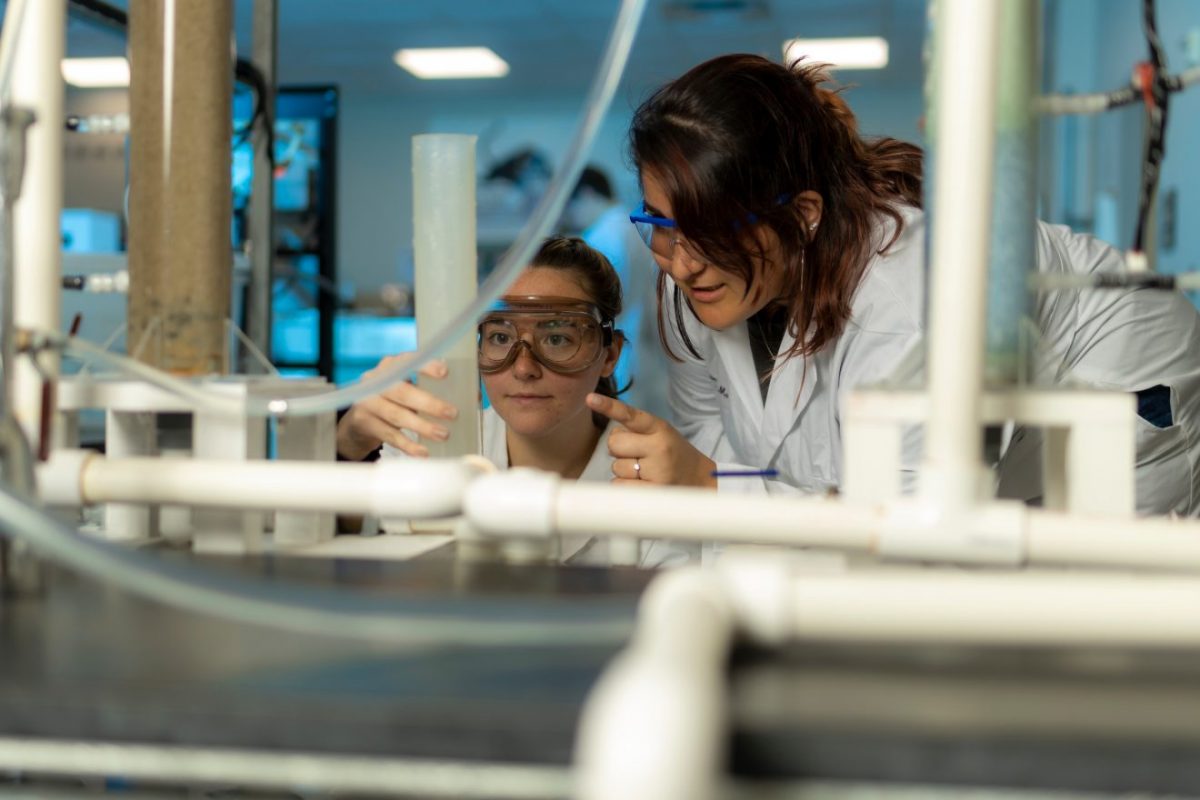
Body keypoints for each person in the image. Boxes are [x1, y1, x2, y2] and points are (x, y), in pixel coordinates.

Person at [583, 53, 1200, 516]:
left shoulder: (909, 298)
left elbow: (906, 528)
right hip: (957, 445)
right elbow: (726, 453)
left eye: (713, 232)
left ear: (802, 215)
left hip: (1118, 382)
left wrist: (711, 485)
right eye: (662, 225)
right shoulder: (696, 272)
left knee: (1101, 618)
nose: (683, 263)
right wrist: (719, 482)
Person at [336, 236, 689, 563]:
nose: (523, 368)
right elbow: (337, 534)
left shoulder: (659, 476)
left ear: (609, 355)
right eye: (501, 337)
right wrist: (349, 443)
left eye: (557, 339)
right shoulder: (427, 447)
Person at [563, 166, 671, 419]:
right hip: (645, 347)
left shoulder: (601, 237)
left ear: (587, 194)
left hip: (620, 348)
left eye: (570, 206)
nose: (570, 215)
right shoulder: (632, 226)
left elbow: (597, 305)